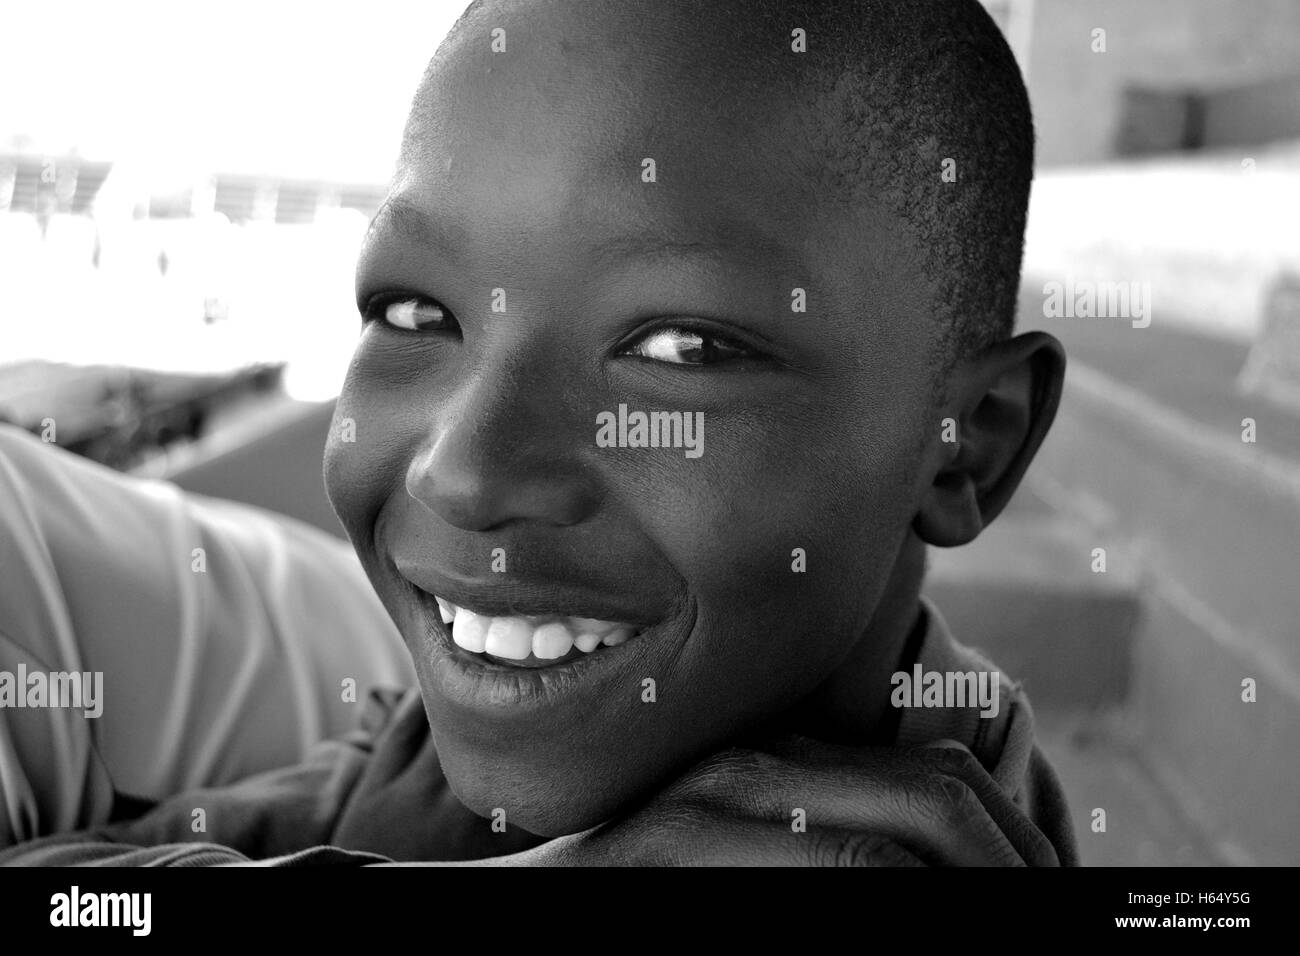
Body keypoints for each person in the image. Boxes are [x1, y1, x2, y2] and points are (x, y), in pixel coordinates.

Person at [0, 0, 1076, 866]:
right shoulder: (415, 761)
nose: (459, 472)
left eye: (680, 349)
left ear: (968, 438)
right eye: (419, 315)